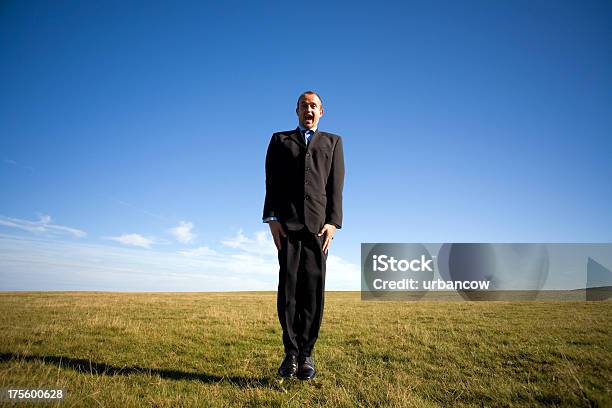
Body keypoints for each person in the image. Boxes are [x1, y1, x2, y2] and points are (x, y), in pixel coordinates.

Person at [262, 91, 345, 380]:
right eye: (304, 106)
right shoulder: (279, 140)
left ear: (322, 112)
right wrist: (272, 219)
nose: (309, 110)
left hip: (318, 230)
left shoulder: (333, 142)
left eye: (314, 106)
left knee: (312, 293)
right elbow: (270, 182)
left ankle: (307, 355)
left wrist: (333, 223)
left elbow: (336, 188)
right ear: (296, 110)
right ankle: (290, 354)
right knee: (288, 291)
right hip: (287, 226)